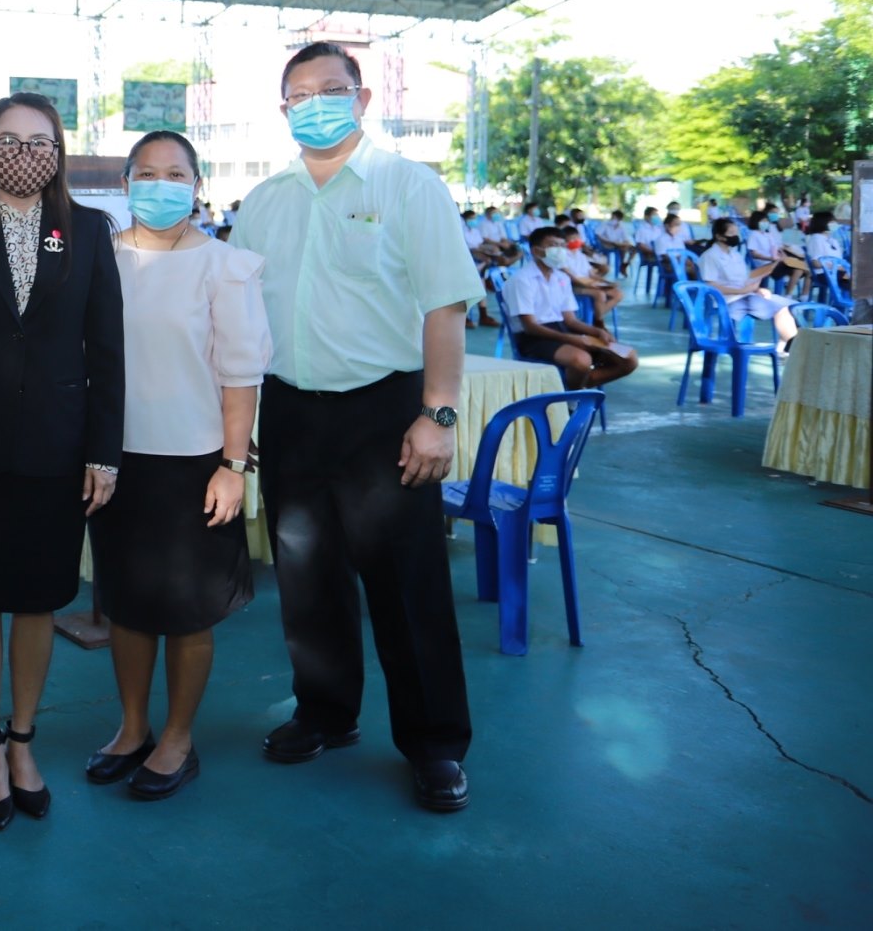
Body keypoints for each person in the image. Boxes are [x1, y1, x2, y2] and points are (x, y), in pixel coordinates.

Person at [230, 42, 485, 815]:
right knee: (306, 573)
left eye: (331, 89)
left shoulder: (410, 186)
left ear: (363, 98)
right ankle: (325, 710)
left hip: (385, 409)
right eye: (299, 95)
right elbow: (237, 313)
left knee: (407, 579)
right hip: (291, 406)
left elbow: (445, 306)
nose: (316, 104)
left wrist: (437, 413)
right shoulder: (263, 201)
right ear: (283, 110)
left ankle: (434, 741)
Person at [0, 93, 124, 829]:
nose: (23, 152)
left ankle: (23, 740)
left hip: (56, 446)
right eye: (7, 140)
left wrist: (104, 452)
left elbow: (107, 348)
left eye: (39, 141)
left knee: (39, 599)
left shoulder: (88, 229)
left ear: (58, 152)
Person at [85, 131, 269, 802]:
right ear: (125, 183)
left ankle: (178, 738)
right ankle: (132, 727)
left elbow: (241, 376)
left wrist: (232, 466)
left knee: (189, 612)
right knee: (127, 605)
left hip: (195, 464)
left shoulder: (224, 266)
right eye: (146, 173)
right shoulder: (101, 260)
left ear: (196, 185)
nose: (160, 185)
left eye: (175, 174)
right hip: (114, 461)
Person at [505, 228, 639, 386]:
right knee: (581, 360)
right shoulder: (522, 280)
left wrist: (597, 331)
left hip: (562, 329)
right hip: (534, 338)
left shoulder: (561, 277)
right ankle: (574, 395)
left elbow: (570, 320)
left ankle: (579, 385)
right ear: (536, 251)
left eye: (562, 246)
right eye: (553, 245)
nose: (560, 250)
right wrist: (572, 339)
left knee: (629, 359)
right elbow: (530, 327)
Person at [698, 218, 800, 354]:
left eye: (736, 232)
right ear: (719, 236)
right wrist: (741, 291)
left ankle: (785, 347)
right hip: (727, 300)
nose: (736, 236)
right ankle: (792, 348)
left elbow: (745, 278)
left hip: (745, 294)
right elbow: (711, 285)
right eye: (731, 233)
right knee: (781, 308)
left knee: (793, 306)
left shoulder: (735, 254)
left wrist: (758, 288)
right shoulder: (710, 256)